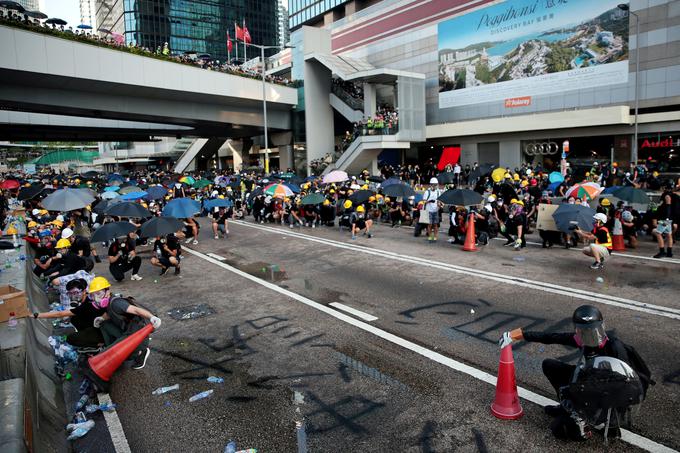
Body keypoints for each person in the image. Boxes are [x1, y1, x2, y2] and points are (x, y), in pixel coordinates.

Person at [500, 305, 653, 441]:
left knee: (559, 429)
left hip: (608, 391)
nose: (589, 334)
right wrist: (517, 335)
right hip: (588, 383)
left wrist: (578, 391)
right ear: (578, 330)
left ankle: (609, 422)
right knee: (550, 365)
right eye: (583, 330)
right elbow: (551, 337)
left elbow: (624, 385)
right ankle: (566, 406)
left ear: (601, 327)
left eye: (593, 330)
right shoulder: (581, 339)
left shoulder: (615, 347)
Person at [89, 277, 161, 370]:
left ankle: (141, 352)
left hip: (137, 334)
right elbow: (109, 312)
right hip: (127, 329)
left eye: (99, 294)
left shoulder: (116, 303)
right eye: (92, 295)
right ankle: (113, 347)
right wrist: (101, 318)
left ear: (107, 291)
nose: (96, 299)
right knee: (104, 324)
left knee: (119, 354)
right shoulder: (109, 302)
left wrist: (151, 317)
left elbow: (136, 310)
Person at [32, 278, 105, 351]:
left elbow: (59, 314)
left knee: (71, 339)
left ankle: (98, 345)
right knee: (74, 318)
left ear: (84, 291)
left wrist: (36, 315)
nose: (73, 296)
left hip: (101, 332)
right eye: (70, 293)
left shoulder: (87, 304)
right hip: (94, 328)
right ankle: (88, 337)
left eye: (76, 293)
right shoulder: (87, 299)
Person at [651, 192, 678, 258]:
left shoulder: (667, 197)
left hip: (664, 219)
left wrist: (667, 218)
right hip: (667, 219)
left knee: (658, 233)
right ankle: (669, 252)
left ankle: (662, 252)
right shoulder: (671, 197)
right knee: (669, 235)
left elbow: (668, 206)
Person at [422, 177, 442, 242]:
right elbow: (424, 201)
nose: (435, 186)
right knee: (429, 224)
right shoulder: (427, 192)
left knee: (436, 224)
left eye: (436, 184)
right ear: (431, 185)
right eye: (434, 184)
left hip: (436, 210)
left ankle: (435, 237)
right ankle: (430, 236)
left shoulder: (438, 192)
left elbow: (439, 201)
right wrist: (430, 201)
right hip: (429, 210)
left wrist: (439, 205)